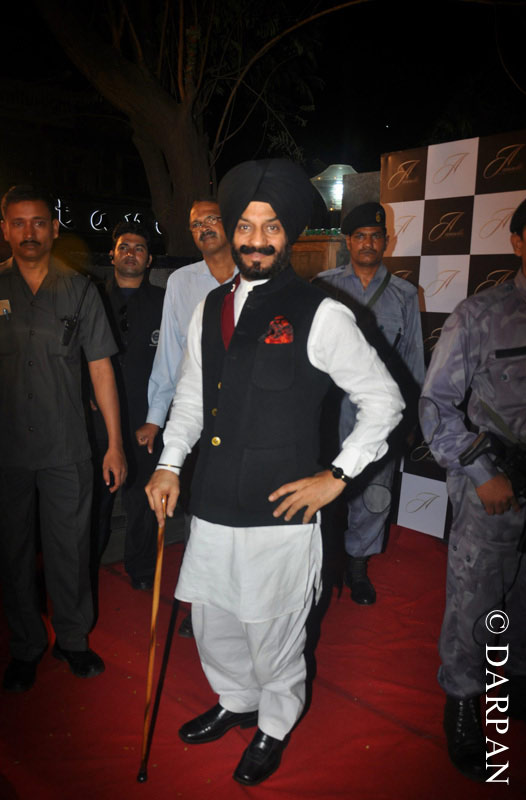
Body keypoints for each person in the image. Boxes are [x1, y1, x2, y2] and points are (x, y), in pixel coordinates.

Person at [145, 159, 404, 785]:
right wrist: (170, 464)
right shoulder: (209, 308)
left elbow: (385, 402)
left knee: (274, 632)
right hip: (212, 502)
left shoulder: (322, 312)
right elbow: (189, 398)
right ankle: (237, 700)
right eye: (245, 225)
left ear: (289, 235)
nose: (256, 239)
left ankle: (275, 723)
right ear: (231, 230)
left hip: (282, 513)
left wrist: (336, 477)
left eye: (271, 227)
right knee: (213, 621)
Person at [419, 194, 526, 781]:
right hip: (495, 485)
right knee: (476, 598)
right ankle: (464, 701)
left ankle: (518, 684)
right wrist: (482, 473)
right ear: (517, 242)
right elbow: (435, 405)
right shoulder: (481, 315)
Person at [0, 185, 127, 693]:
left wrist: (114, 444)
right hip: (7, 451)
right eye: (18, 222)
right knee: (12, 551)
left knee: (71, 549)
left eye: (38, 222)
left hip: (67, 447)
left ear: (54, 229)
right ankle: (25, 645)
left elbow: (101, 370)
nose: (29, 232)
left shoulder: (79, 290)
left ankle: (73, 639)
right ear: (4, 229)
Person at [315, 202, 424, 604]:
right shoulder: (322, 285)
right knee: (324, 485)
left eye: (375, 236)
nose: (367, 243)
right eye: (359, 236)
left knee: (375, 492)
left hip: (380, 412)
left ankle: (358, 566)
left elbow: (414, 359)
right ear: (347, 241)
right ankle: (323, 563)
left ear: (386, 242)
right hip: (330, 410)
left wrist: (410, 420)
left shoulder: (404, 295)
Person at [136, 198, 236, 633]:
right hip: (197, 415)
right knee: (199, 511)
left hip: (247, 414)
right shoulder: (181, 281)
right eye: (197, 223)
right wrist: (156, 415)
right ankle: (200, 603)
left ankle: (237, 600)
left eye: (213, 219)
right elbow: (170, 354)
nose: (205, 228)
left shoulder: (255, 275)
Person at [91, 221, 164, 590]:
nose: (131, 253)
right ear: (112, 255)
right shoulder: (91, 297)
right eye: (124, 247)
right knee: (95, 501)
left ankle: (142, 569)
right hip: (95, 417)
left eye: (139, 248)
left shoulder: (165, 302)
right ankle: (85, 568)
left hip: (145, 416)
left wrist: (158, 417)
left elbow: (173, 363)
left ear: (149, 259)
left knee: (141, 500)